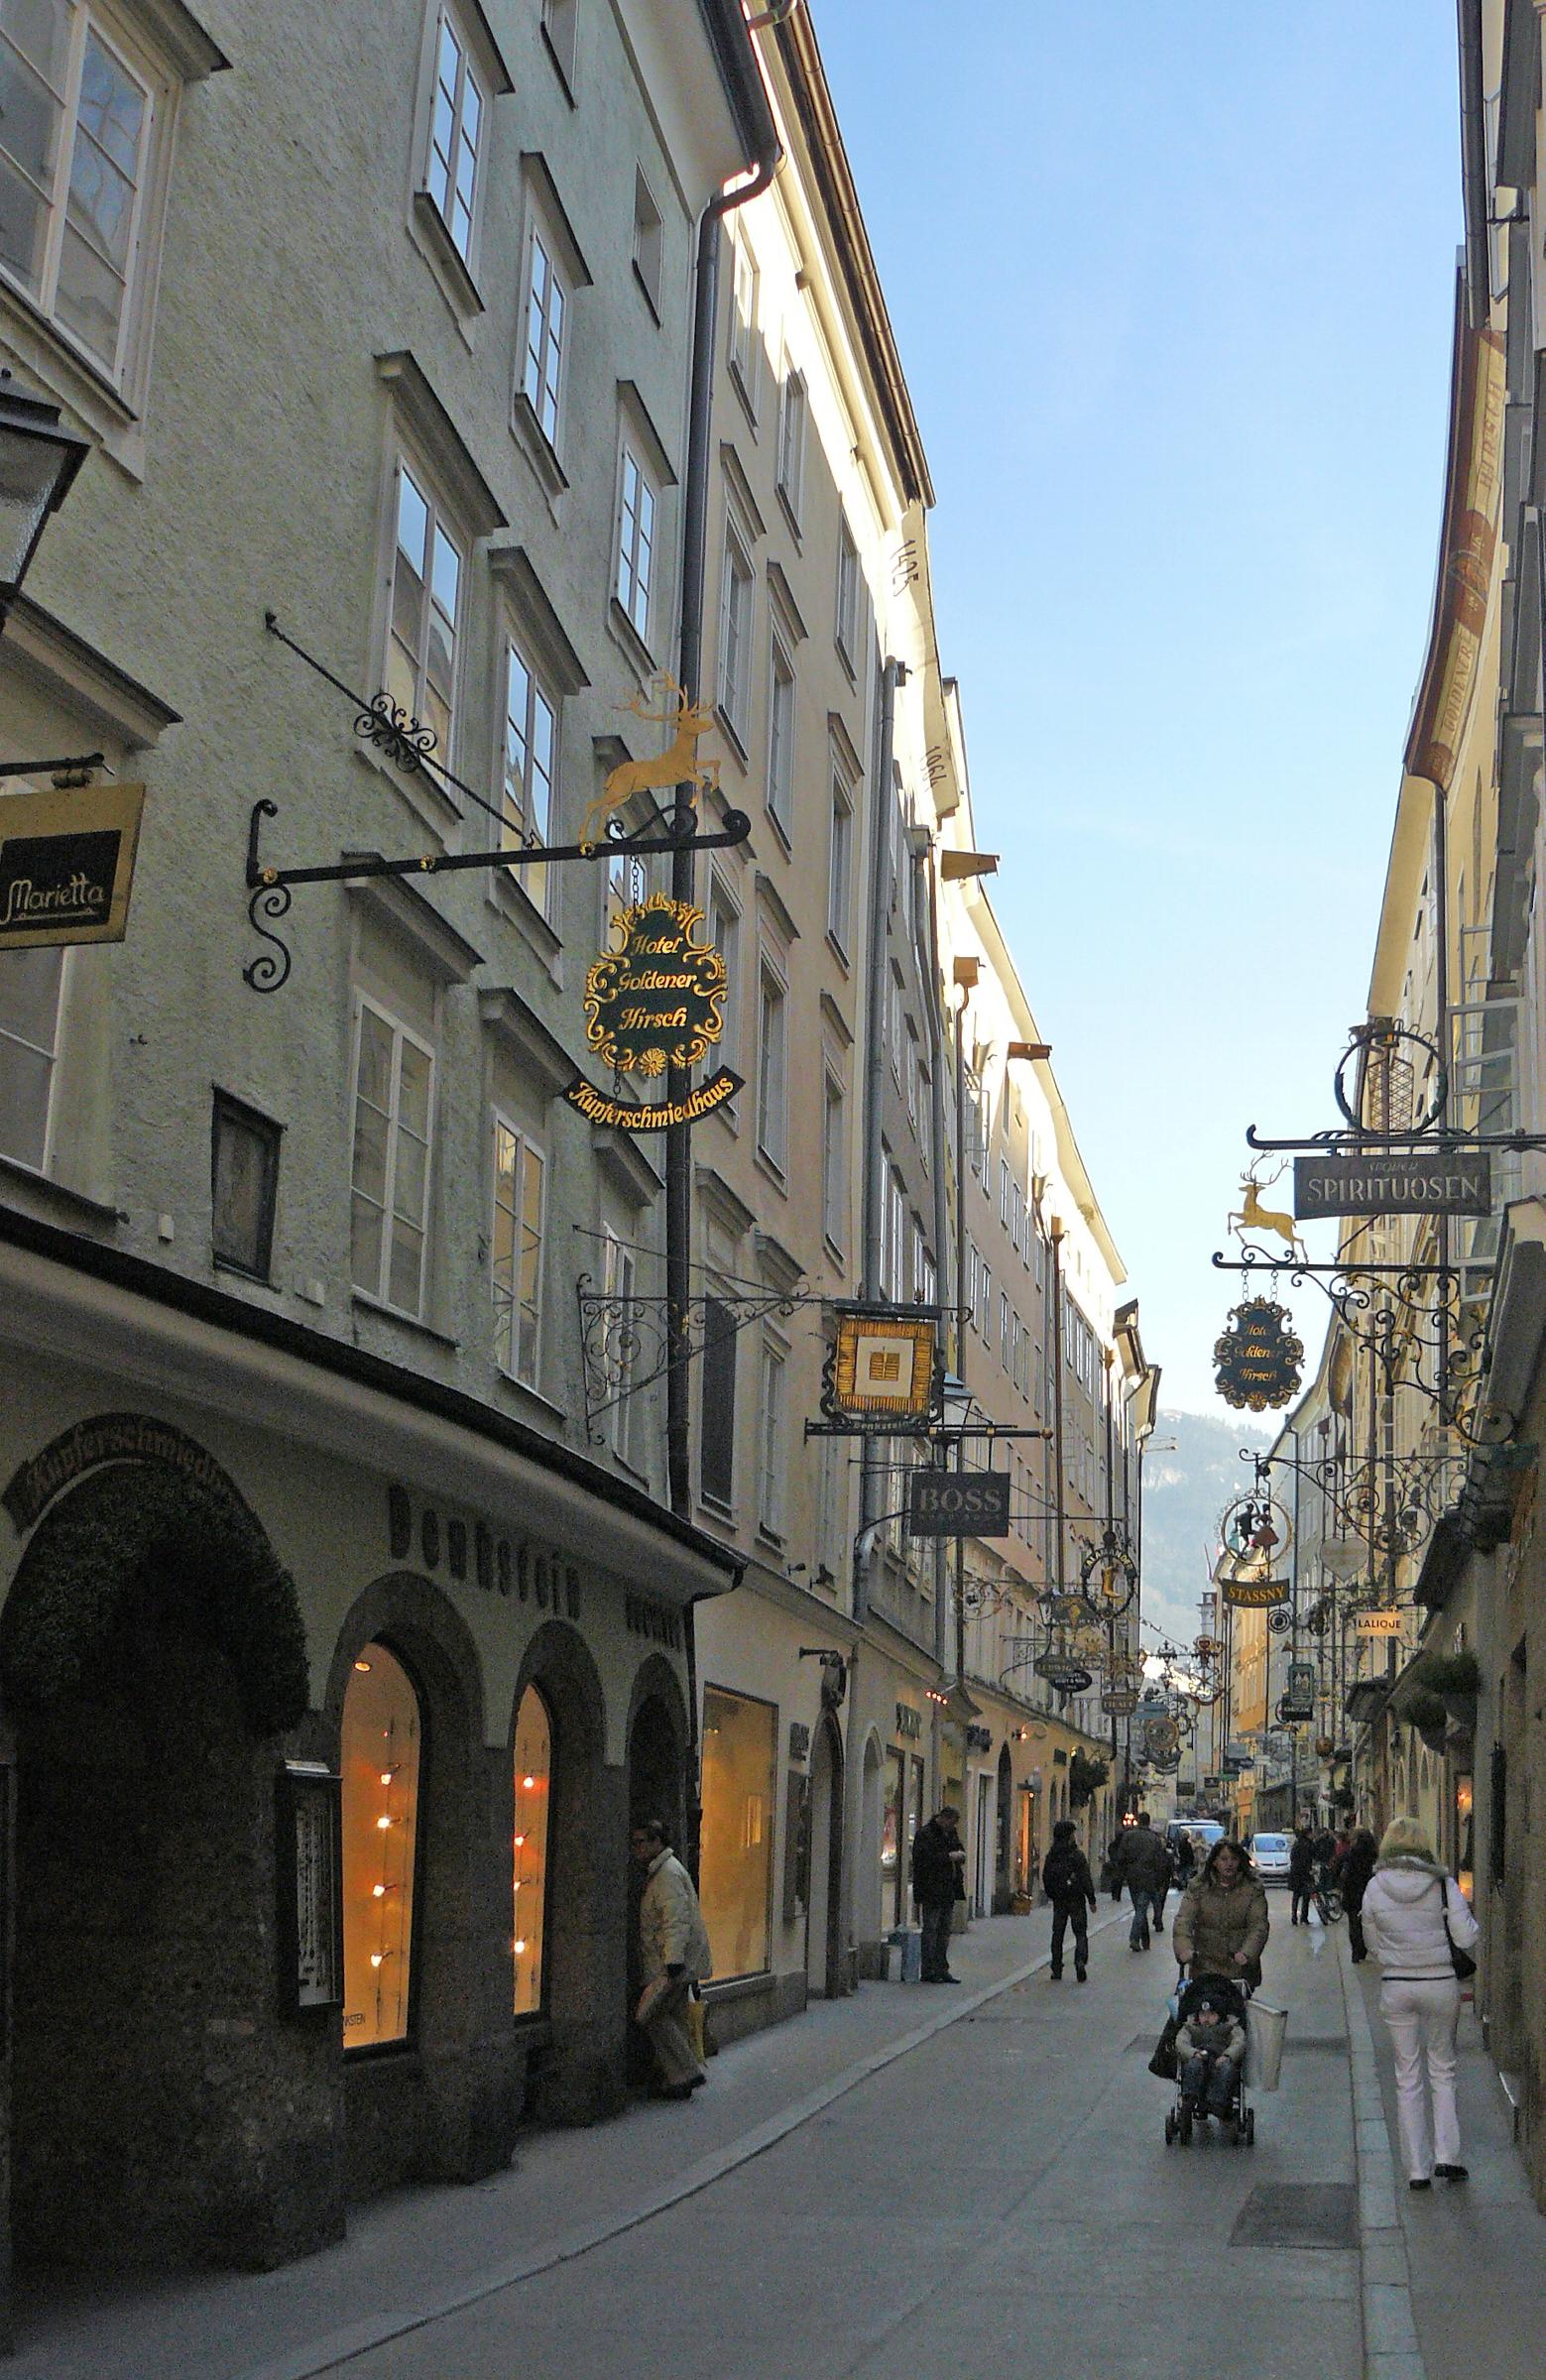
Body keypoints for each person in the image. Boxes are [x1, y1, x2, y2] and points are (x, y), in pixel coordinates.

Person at [1360, 1816, 1480, 2190]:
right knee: (1442, 2069)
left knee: (1406, 2076)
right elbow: (1465, 1937)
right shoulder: (1442, 1884)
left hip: (1398, 1985)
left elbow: (1372, 1945)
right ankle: (1449, 2155)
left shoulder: (1375, 1887)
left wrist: (1398, 1955)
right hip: (1440, 1983)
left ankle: (1416, 2169)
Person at [631, 1819, 713, 2100]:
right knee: (673, 2018)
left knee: (652, 2015)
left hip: (671, 1964)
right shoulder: (663, 1871)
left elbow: (675, 1921)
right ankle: (676, 2079)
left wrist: (672, 1961)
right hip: (673, 1961)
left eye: (642, 1842)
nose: (637, 1849)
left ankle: (687, 2072)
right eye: (635, 1843)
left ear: (657, 1842)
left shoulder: (666, 1874)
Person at [1171, 1837, 1270, 1984]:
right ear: (1215, 1862)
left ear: (1240, 1862)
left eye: (1234, 1859)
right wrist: (1184, 1949)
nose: (1229, 1864)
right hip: (1205, 1966)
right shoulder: (1198, 1888)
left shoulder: (1252, 1889)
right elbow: (1184, 1920)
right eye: (1224, 1859)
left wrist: (1247, 1953)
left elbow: (1259, 1926)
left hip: (1240, 1968)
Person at [1175, 1979, 1249, 2126]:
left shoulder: (1229, 2027)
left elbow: (1238, 2042)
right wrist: (1192, 2053)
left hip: (1220, 2058)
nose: (1206, 2019)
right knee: (1192, 2066)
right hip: (1200, 2057)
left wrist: (1228, 2055)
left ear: (1220, 2015)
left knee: (1227, 2069)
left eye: (1211, 2014)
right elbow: (1181, 2042)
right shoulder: (1191, 2027)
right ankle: (1190, 2097)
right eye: (1203, 2014)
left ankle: (1217, 2102)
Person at [911, 1804, 967, 1982]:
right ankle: (928, 1971)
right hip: (931, 1889)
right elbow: (923, 1860)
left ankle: (942, 1968)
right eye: (951, 1823)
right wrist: (949, 1857)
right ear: (943, 1818)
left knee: (944, 1931)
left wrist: (960, 1855)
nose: (952, 1827)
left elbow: (959, 1848)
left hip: (948, 1889)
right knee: (931, 1930)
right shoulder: (926, 1834)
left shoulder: (950, 1833)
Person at [1041, 1818, 1097, 1982]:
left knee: (1057, 1934)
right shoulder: (1077, 1855)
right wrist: (1091, 1899)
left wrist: (1052, 1894)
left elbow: (1046, 1877)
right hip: (1076, 1899)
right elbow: (1086, 1878)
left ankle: (1056, 1968)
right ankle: (1080, 1961)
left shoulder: (1052, 1856)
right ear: (1069, 1835)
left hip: (1059, 1900)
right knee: (1080, 1933)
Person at [1114, 1811, 1172, 1951]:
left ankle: (1145, 1940)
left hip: (1132, 1877)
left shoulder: (1128, 1836)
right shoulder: (1154, 1838)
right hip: (1148, 1877)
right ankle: (1135, 1938)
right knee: (1141, 1909)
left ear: (1139, 1821)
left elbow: (1121, 1857)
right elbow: (1159, 1861)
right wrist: (1159, 1880)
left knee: (1139, 1907)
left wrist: (1122, 1875)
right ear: (1148, 1822)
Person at [1340, 1826, 1378, 1963]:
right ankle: (1365, 1949)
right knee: (1367, 1922)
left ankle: (1357, 1953)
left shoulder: (1350, 1855)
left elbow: (1344, 1875)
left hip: (1352, 1893)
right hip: (1368, 1891)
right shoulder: (1373, 1854)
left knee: (1354, 1924)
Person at [1288, 1821, 1316, 1927]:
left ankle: (1294, 1917)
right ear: (1308, 1834)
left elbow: (1292, 1857)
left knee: (1296, 1896)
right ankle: (1304, 1918)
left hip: (1295, 1873)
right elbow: (1311, 1857)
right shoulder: (1308, 1844)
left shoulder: (1297, 1843)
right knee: (1306, 1897)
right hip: (1304, 1874)